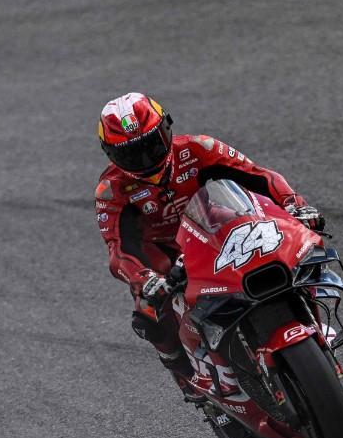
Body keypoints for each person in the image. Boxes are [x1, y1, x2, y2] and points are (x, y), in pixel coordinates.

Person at [93, 92, 322, 396]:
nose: (145, 159)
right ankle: (184, 374)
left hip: (214, 229)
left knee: (284, 245)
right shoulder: (111, 190)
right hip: (164, 254)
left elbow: (258, 177)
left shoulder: (199, 148)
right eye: (131, 153)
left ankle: (312, 317)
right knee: (148, 313)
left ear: (167, 129)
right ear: (110, 154)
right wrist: (144, 279)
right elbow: (119, 249)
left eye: (151, 144)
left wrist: (294, 205)